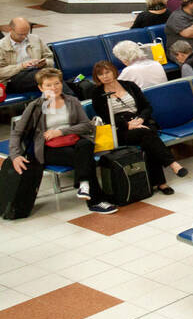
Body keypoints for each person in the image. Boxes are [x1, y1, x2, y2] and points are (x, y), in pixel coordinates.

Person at [8, 69, 116, 214]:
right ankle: (94, 199)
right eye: (48, 85)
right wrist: (15, 155)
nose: (54, 88)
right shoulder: (35, 106)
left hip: (72, 141)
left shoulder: (71, 101)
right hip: (48, 148)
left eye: (57, 83)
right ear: (41, 88)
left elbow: (86, 125)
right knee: (85, 159)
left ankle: (84, 184)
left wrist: (60, 131)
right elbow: (17, 133)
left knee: (87, 145)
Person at [89, 61, 187, 195]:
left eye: (107, 72)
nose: (105, 76)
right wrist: (127, 124)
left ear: (113, 71)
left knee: (147, 138)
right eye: (100, 74)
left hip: (141, 121)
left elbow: (147, 107)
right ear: (97, 77)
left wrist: (140, 119)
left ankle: (161, 182)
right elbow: (105, 117)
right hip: (120, 129)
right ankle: (171, 167)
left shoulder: (129, 85)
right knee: (147, 136)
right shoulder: (97, 93)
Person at [0, 18, 59, 95]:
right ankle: (71, 101)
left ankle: (69, 102)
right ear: (10, 30)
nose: (25, 37)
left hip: (37, 74)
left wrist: (45, 63)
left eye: (26, 33)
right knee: (49, 77)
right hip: (13, 79)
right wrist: (22, 66)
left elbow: (50, 59)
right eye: (21, 34)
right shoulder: (2, 46)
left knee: (51, 79)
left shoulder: (35, 39)